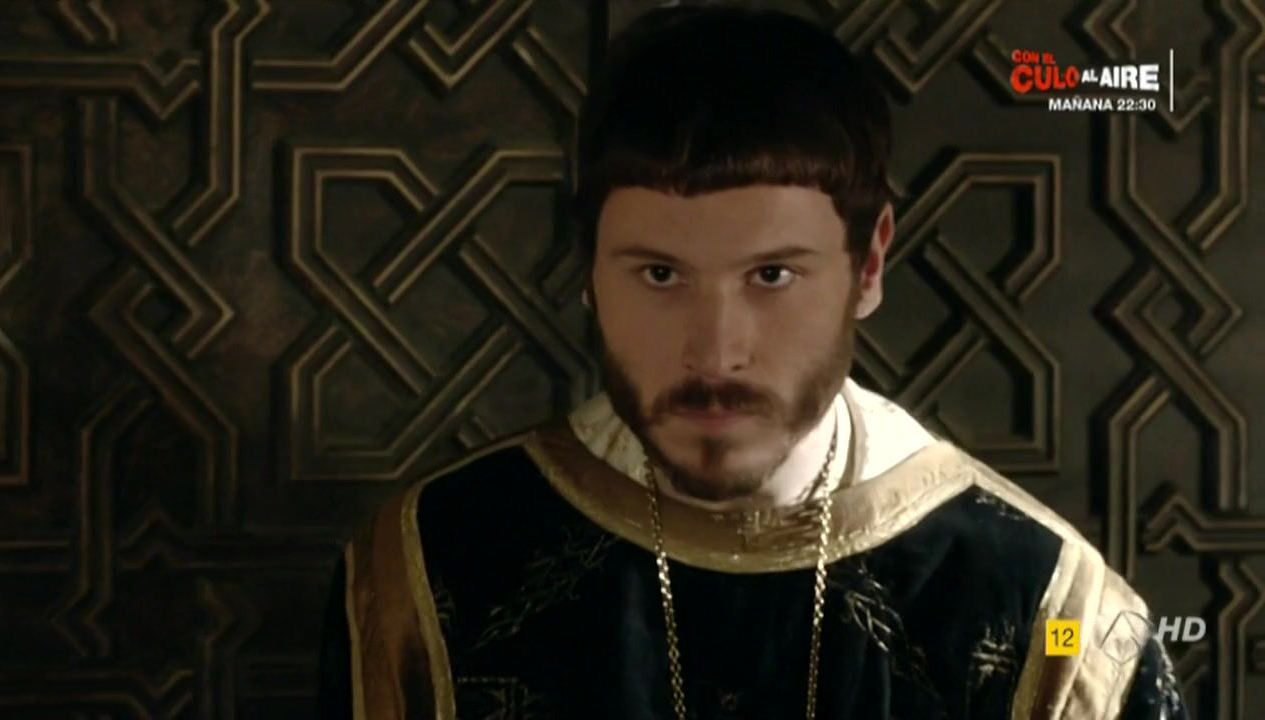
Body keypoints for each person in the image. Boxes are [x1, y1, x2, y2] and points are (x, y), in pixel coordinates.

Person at [316, 5, 1187, 719]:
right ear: (588, 270)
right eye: (660, 275)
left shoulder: (1047, 611)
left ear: (869, 264)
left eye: (772, 276)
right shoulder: (433, 568)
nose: (715, 350)